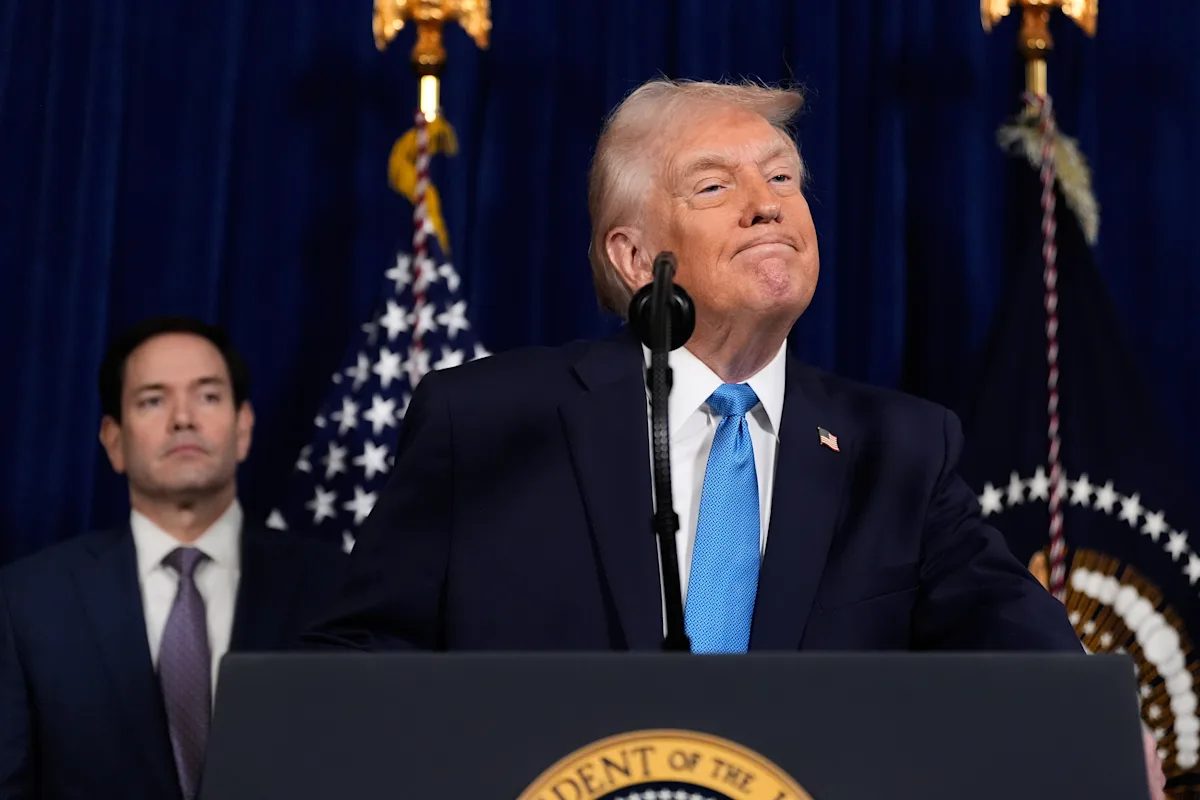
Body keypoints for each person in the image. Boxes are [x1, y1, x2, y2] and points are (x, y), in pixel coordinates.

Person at [302, 79, 1163, 794]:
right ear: (635, 258)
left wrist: (1103, 727)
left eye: (784, 180)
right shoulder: (489, 420)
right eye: (715, 187)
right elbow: (350, 672)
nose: (766, 207)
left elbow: (1034, 665)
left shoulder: (901, 450)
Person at [0, 316, 347, 800]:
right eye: (153, 400)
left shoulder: (336, 589)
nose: (183, 418)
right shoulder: (28, 602)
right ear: (114, 440)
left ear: (243, 428)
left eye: (207, 396)